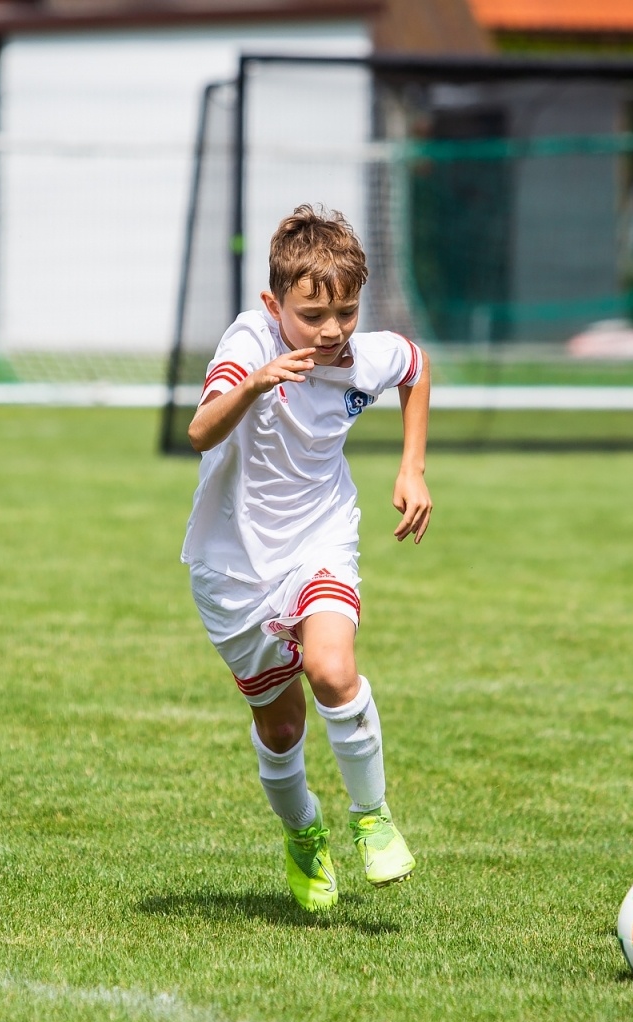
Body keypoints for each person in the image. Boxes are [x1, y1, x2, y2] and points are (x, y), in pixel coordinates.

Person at [182, 205, 432, 914]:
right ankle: (302, 832)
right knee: (282, 726)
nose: (331, 332)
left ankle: (372, 818)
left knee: (331, 668)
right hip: (232, 565)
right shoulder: (247, 340)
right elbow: (201, 431)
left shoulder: (359, 351)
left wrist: (411, 468)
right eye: (313, 315)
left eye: (346, 313)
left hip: (321, 538)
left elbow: (415, 366)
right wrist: (257, 381)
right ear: (273, 304)